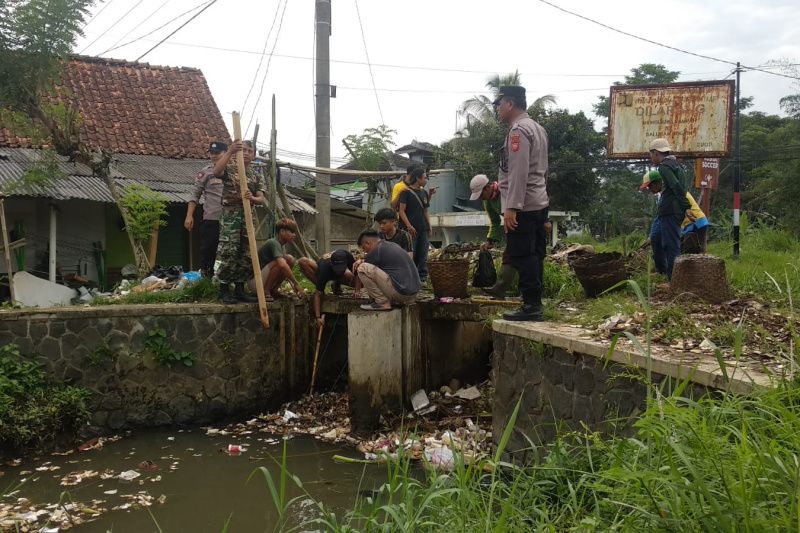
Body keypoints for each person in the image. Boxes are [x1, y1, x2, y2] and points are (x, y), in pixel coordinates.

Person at [494, 85, 550, 321]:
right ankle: (535, 301)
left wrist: (512, 207)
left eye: (498, 104)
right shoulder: (537, 128)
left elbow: (518, 172)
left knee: (522, 255)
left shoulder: (518, 131)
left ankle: (531, 306)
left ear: (509, 103)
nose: (497, 109)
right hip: (539, 201)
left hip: (524, 205)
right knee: (535, 254)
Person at [212, 140, 266, 304]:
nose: (247, 153)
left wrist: (253, 198)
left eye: (250, 151)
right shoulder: (230, 167)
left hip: (248, 215)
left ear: (254, 154)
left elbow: (261, 199)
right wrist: (229, 151)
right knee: (229, 251)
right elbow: (216, 171)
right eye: (244, 150)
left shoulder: (256, 174)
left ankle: (240, 289)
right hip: (231, 216)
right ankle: (224, 290)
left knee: (246, 252)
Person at [646, 139, 695, 280]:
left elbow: (676, 186)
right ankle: (663, 271)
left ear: (655, 153)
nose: (651, 157)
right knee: (657, 238)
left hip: (671, 211)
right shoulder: (676, 166)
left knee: (671, 245)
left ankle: (674, 280)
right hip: (668, 211)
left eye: (651, 154)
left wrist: (686, 207)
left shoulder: (664, 167)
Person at [641, 170, 709, 257]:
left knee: (689, 255)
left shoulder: (672, 193)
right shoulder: (667, 194)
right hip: (693, 224)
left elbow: (663, 218)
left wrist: (653, 236)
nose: (650, 189)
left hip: (695, 223)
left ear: (657, 183)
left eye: (650, 186)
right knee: (692, 254)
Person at [469, 174, 516, 297]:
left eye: (481, 195)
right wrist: (490, 241)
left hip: (525, 221)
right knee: (509, 256)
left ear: (487, 188)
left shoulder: (505, 190)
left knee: (525, 257)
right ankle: (500, 288)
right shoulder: (487, 202)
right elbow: (495, 222)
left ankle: (526, 292)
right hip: (511, 227)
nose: (481, 199)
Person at [185, 141, 227, 278]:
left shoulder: (235, 171)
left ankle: (227, 282)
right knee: (209, 250)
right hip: (212, 218)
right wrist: (189, 216)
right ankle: (207, 281)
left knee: (230, 252)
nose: (214, 156)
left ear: (225, 153)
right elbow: (195, 194)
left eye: (217, 153)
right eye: (211, 153)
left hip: (231, 219)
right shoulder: (205, 172)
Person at [353, 229, 420, 311]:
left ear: (367, 243)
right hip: (413, 294)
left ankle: (382, 303)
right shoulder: (392, 245)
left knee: (362, 268)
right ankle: (385, 300)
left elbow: (364, 272)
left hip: (402, 294)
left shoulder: (376, 250)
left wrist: (358, 291)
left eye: (364, 248)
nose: (364, 251)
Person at [298, 249, 356, 328]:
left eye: (341, 269)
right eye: (337, 269)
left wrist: (357, 291)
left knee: (354, 279)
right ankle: (322, 285)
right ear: (331, 264)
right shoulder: (324, 269)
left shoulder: (348, 257)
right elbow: (317, 295)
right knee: (303, 262)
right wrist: (318, 317)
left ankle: (336, 284)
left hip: (342, 275)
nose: (339, 271)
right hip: (323, 271)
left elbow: (357, 274)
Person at [252, 218, 305, 301]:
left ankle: (274, 290)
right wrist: (296, 284)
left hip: (262, 278)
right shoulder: (273, 243)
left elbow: (285, 269)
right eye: (291, 232)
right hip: (255, 282)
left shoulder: (281, 245)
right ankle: (266, 292)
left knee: (289, 260)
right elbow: (282, 265)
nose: (294, 235)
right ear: (282, 231)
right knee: (283, 261)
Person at [398, 165, 431, 281]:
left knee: (423, 254)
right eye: (425, 177)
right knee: (411, 254)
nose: (426, 180)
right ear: (418, 178)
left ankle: (422, 278)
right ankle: (409, 278)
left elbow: (425, 211)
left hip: (423, 229)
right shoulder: (405, 192)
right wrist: (409, 226)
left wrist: (429, 226)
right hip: (410, 230)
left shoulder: (424, 193)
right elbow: (401, 211)